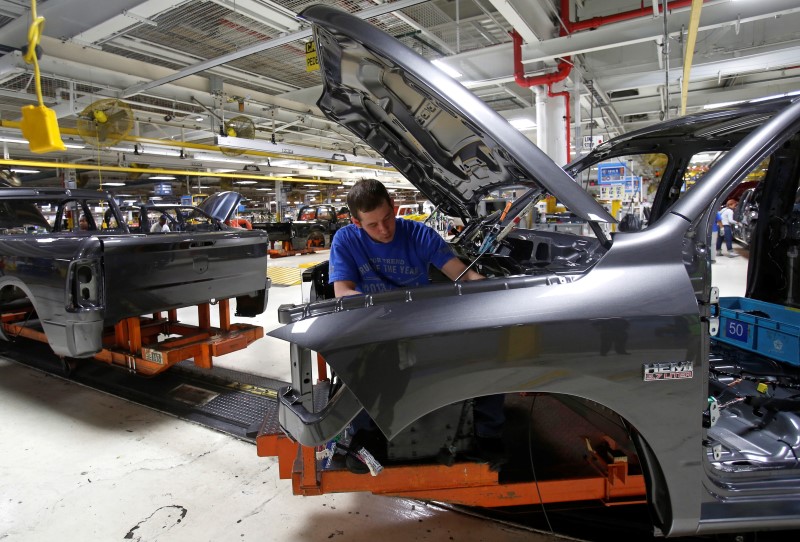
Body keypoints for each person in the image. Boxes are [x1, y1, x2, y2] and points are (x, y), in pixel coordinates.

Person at [329, 178, 506, 470]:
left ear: (394, 207)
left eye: (388, 218)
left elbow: (460, 275)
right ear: (356, 222)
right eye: (372, 225)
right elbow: (343, 292)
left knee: (488, 352)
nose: (384, 229)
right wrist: (381, 314)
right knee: (356, 362)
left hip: (420, 324)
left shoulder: (418, 234)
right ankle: (366, 439)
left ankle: (489, 436)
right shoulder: (346, 240)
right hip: (374, 326)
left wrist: (488, 290)